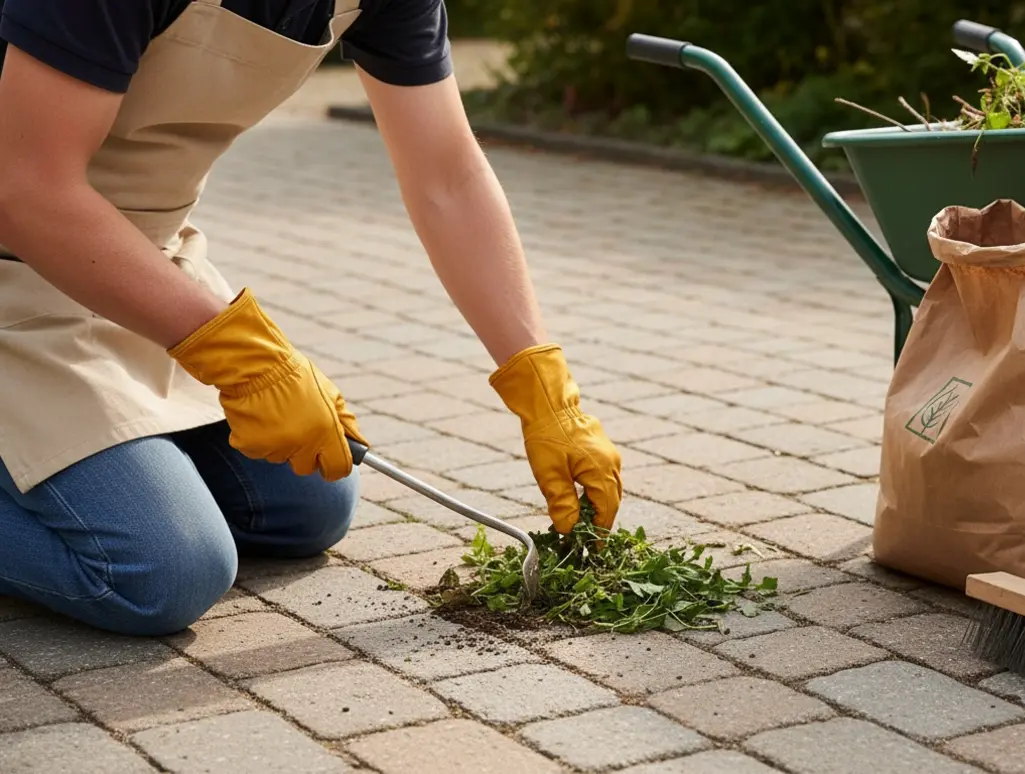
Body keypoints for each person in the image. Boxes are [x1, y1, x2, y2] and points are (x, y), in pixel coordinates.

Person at [0, 0, 623, 637]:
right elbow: (26, 188)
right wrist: (244, 355)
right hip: (17, 261)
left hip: (133, 267)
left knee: (307, 507)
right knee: (162, 571)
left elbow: (448, 176)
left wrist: (542, 385)